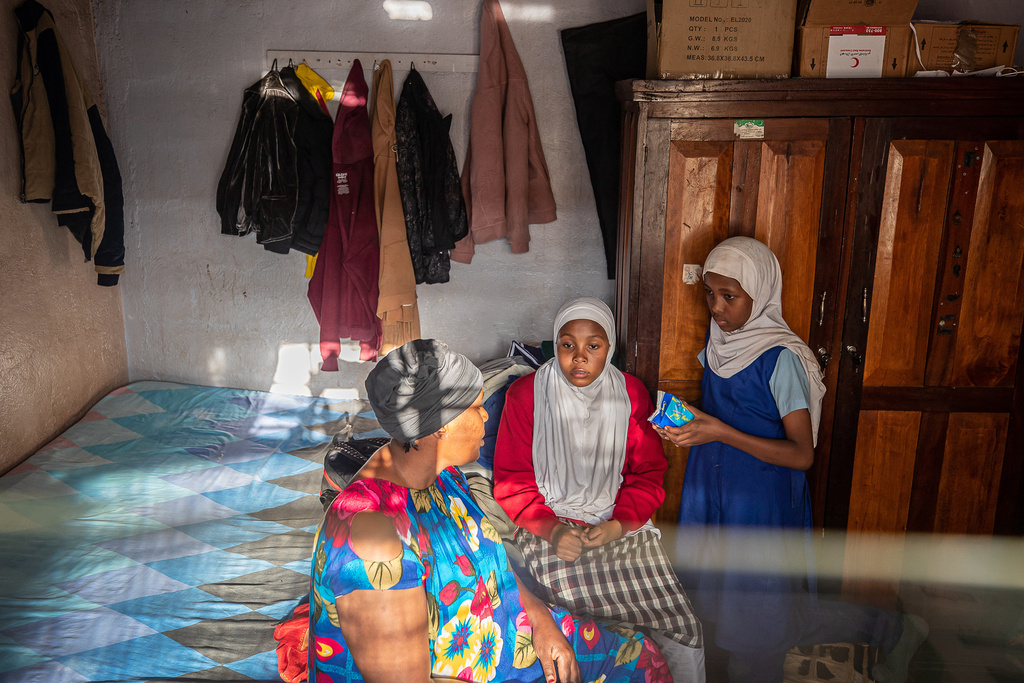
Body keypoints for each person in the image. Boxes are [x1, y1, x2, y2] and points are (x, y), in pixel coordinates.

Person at [308, 338, 673, 683]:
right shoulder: (375, 539)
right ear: (441, 425)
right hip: (480, 669)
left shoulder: (445, 480)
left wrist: (541, 621)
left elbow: (495, 570)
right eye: (477, 406)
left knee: (639, 654)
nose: (486, 417)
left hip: (506, 639)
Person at [655, 236, 926, 683]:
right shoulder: (722, 340)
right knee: (730, 605)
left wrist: (718, 431)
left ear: (760, 294)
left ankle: (890, 628)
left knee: (757, 623)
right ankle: (893, 628)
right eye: (710, 293)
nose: (716, 308)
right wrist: (688, 426)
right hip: (716, 490)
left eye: (729, 296)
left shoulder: (781, 359)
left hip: (761, 499)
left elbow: (802, 455)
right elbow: (722, 410)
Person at [493, 298, 706, 683]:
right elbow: (513, 481)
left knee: (681, 627)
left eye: (593, 346)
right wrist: (553, 530)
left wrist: (618, 525)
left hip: (621, 528)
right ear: (555, 346)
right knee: (581, 633)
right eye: (567, 344)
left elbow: (647, 475)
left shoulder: (631, 394)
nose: (579, 357)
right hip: (551, 529)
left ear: (610, 350)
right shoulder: (526, 396)